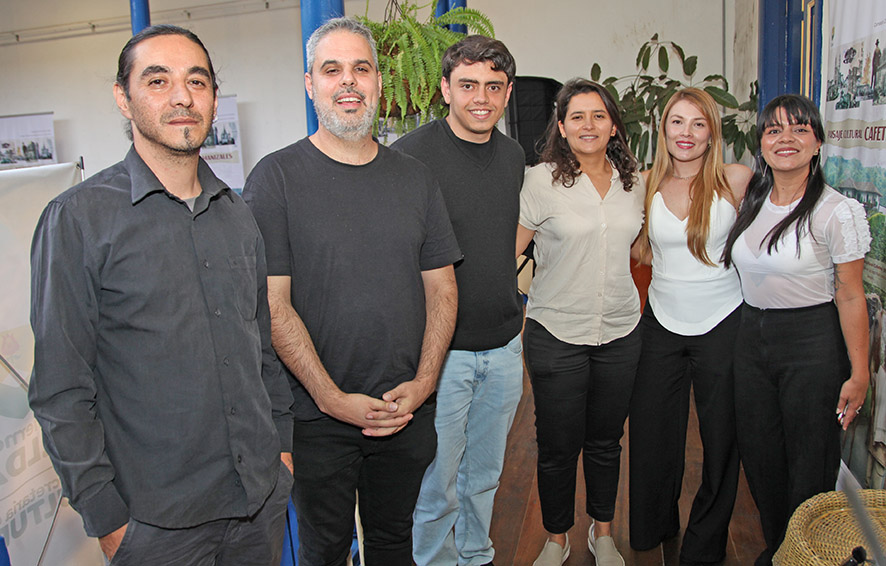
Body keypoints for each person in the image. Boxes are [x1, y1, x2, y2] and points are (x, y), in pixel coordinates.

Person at [28, 25, 294, 565]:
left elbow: (260, 346)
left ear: (213, 98)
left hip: (258, 504)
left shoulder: (238, 214)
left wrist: (282, 448)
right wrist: (107, 516)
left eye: (197, 81)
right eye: (158, 80)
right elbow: (61, 387)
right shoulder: (78, 220)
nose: (181, 97)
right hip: (155, 527)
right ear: (123, 98)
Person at [242, 17, 461, 566]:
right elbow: (272, 304)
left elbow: (442, 289)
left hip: (404, 411)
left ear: (380, 83)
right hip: (316, 419)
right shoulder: (276, 178)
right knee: (324, 550)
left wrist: (425, 382)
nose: (348, 81)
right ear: (309, 83)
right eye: (331, 69)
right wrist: (330, 398)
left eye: (361, 68)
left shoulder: (416, 178)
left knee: (393, 545)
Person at [391, 35, 525, 566]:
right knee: (437, 481)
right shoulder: (408, 158)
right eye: (468, 85)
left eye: (494, 87)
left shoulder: (514, 156)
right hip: (439, 355)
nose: (481, 98)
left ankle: (476, 554)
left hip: (505, 347)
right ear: (444, 88)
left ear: (508, 92)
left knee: (486, 476)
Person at [722, 94, 871, 566]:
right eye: (773, 130)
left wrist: (860, 372)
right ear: (761, 144)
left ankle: (806, 555)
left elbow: (849, 295)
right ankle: (781, 549)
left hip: (812, 342)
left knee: (810, 460)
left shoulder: (836, 211)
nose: (786, 138)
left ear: (818, 143)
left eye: (800, 129)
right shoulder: (752, 200)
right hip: (750, 339)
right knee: (761, 456)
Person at [516, 78, 644, 566]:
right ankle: (556, 537)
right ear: (562, 126)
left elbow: (637, 249)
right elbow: (512, 250)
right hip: (555, 333)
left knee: (606, 441)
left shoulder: (634, 183)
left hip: (620, 331)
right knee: (556, 444)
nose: (588, 125)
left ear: (613, 125)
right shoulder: (540, 180)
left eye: (598, 116)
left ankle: (603, 533)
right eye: (577, 117)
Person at [627, 88, 752, 566]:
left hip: (724, 322)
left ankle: (705, 544)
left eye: (698, 124)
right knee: (652, 435)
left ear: (712, 133)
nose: (686, 133)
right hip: (660, 322)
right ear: (664, 129)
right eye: (677, 122)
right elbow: (628, 243)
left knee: (722, 441)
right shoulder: (643, 183)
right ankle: (652, 528)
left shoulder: (735, 180)